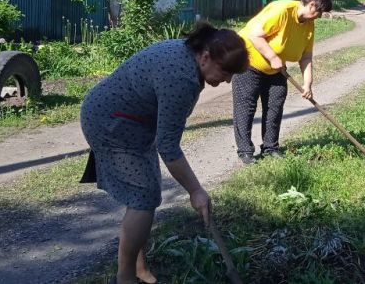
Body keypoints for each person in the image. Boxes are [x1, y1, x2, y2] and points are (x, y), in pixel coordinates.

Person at [79, 22, 249, 284]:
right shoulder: (181, 78)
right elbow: (168, 147)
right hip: (111, 122)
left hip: (129, 119)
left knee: (145, 192)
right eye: (225, 72)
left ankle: (138, 269)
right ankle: (125, 278)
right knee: (143, 198)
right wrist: (195, 190)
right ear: (206, 56)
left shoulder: (187, 54)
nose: (226, 80)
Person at [232, 0, 333, 165]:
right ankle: (245, 151)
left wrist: (307, 83)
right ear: (311, 6)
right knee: (246, 107)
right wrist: (272, 56)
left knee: (275, 105)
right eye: (320, 12)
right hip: (247, 62)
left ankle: (270, 147)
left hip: (276, 69)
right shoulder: (282, 11)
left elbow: (306, 56)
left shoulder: (308, 24)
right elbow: (255, 35)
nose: (320, 16)